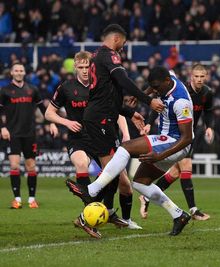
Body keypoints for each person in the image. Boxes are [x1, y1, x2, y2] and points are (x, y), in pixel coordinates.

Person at [67, 66, 193, 236]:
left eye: (157, 87)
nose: (155, 91)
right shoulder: (168, 77)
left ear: (167, 82)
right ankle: (179, 215)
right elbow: (157, 81)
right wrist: (141, 94)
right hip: (167, 140)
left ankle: (92, 190)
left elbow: (187, 138)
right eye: (152, 87)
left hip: (175, 143)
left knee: (126, 147)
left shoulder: (181, 102)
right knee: (140, 183)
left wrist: (159, 156)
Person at [45, 51, 141, 238]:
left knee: (124, 184)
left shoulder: (101, 85)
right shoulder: (66, 88)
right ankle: (89, 214)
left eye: (87, 67)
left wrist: (126, 133)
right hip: (78, 138)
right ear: (74, 69)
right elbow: (49, 113)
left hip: (102, 136)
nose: (84, 71)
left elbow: (116, 110)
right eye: (80, 67)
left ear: (93, 67)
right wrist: (66, 122)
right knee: (81, 163)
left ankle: (120, 217)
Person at [139, 64, 213, 220]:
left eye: (202, 76)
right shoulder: (180, 90)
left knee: (175, 173)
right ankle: (193, 210)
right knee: (186, 167)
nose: (199, 80)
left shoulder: (207, 93)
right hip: (175, 135)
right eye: (196, 76)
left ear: (206, 77)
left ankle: (146, 197)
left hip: (189, 133)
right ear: (191, 76)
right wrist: (149, 122)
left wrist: (209, 127)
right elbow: (159, 105)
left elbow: (208, 110)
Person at [0, 63, 58, 209]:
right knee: (14, 165)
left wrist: (51, 123)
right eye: (16, 70)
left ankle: (32, 199)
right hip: (12, 133)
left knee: (31, 166)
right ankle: (17, 199)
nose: (19, 72)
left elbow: (43, 109)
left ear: (24, 72)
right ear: (11, 73)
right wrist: (3, 127)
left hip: (29, 134)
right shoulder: (5, 90)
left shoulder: (32, 89)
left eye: (21, 70)